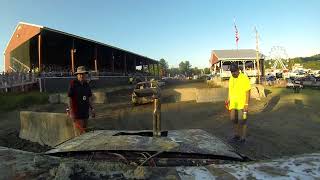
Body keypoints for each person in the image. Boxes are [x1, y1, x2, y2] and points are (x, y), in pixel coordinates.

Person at [67, 66, 95, 136]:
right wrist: (71, 112)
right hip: (77, 113)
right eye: (80, 74)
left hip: (85, 113)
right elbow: (69, 98)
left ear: (85, 75)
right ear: (77, 75)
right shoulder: (73, 84)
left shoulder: (86, 84)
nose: (81, 75)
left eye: (83, 74)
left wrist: (92, 109)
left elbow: (89, 98)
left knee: (85, 132)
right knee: (80, 135)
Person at [227, 63, 251, 143]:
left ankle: (243, 137)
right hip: (233, 103)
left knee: (243, 120)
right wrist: (228, 99)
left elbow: (248, 91)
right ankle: (237, 135)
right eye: (231, 72)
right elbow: (230, 90)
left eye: (234, 71)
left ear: (238, 70)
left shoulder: (244, 78)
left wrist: (246, 104)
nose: (233, 73)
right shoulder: (231, 78)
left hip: (242, 104)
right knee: (233, 119)